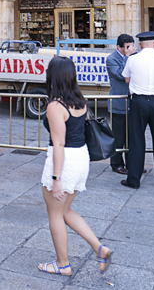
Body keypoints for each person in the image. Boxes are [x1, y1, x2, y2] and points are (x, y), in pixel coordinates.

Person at [38, 57, 112, 276]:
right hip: (81, 157)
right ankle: (100, 248)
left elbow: (59, 144)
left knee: (55, 214)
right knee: (65, 210)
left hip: (65, 161)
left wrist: (56, 179)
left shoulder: (55, 106)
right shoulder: (80, 101)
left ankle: (63, 264)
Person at [121, 31, 154, 190]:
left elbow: (127, 79)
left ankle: (134, 180)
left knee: (136, 141)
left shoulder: (132, 59)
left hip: (138, 102)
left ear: (139, 45)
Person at [106, 34, 134, 174]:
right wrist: (128, 58)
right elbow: (121, 74)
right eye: (127, 47)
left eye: (132, 46)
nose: (130, 49)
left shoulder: (134, 57)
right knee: (118, 137)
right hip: (118, 103)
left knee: (132, 137)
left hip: (133, 103)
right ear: (119, 46)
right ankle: (116, 164)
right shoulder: (112, 59)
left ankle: (132, 164)